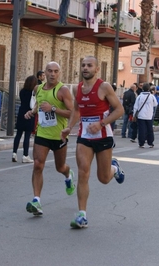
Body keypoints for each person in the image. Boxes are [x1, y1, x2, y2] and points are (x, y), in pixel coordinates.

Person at [61, 56, 125, 228]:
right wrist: (69, 127)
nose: (85, 68)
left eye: (89, 65)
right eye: (83, 65)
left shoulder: (104, 87)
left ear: (97, 69)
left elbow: (120, 110)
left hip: (103, 136)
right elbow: (76, 109)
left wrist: (101, 123)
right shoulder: (77, 88)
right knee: (83, 172)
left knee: (103, 178)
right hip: (85, 137)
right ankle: (82, 215)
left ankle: (115, 168)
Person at [24, 61, 74, 216]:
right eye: (50, 71)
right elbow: (39, 105)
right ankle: (36, 200)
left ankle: (68, 175)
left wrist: (53, 108)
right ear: (44, 73)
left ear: (59, 73)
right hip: (42, 134)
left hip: (59, 135)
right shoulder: (38, 88)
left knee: (61, 167)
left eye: (56, 71)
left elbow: (73, 113)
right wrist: (31, 112)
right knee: (38, 165)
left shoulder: (63, 90)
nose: (52, 74)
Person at [12, 75, 37, 163]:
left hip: (21, 113)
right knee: (27, 135)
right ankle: (25, 155)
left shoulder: (22, 91)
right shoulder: (33, 93)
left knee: (18, 134)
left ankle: (14, 153)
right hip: (29, 113)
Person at [133, 83, 158, 148]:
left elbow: (136, 107)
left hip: (141, 115)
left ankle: (141, 143)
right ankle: (150, 142)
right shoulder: (151, 96)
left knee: (141, 130)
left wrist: (134, 115)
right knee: (150, 129)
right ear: (149, 89)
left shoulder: (139, 97)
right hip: (149, 115)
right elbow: (155, 104)